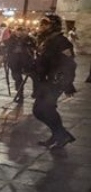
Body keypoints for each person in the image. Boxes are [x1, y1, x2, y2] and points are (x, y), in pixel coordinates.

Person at [32, 13, 77, 149]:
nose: (42, 26)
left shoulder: (62, 42)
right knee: (43, 110)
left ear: (53, 26)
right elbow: (44, 61)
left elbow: (70, 64)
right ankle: (58, 135)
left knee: (41, 109)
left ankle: (61, 135)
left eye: (45, 24)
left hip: (55, 82)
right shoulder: (47, 40)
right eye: (41, 23)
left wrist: (66, 84)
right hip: (45, 81)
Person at [4, 26, 36, 103]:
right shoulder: (11, 39)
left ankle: (35, 92)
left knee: (34, 77)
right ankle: (20, 94)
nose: (19, 33)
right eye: (18, 31)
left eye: (21, 31)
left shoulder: (28, 39)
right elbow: (6, 48)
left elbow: (34, 47)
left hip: (25, 61)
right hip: (14, 61)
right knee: (17, 78)